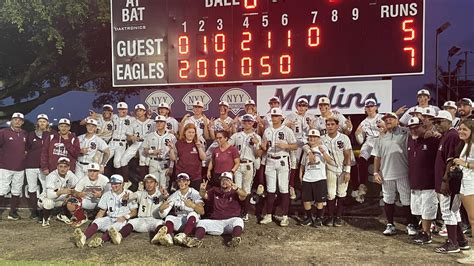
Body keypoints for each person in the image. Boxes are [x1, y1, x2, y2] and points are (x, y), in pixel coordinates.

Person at [372, 112, 416, 236]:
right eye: (386, 120)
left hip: (403, 173)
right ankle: (390, 224)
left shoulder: (406, 132)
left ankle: (410, 224)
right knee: (388, 199)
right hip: (386, 174)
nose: (388, 121)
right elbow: (377, 157)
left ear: (397, 121)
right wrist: (376, 172)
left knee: (406, 200)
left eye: (391, 119)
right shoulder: (380, 138)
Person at [433, 110, 468, 253]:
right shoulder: (446, 135)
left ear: (448, 121)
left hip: (450, 181)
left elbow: (451, 161)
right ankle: (461, 241)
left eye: (439, 121)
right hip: (449, 180)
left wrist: (445, 181)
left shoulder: (452, 135)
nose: (437, 124)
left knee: (448, 212)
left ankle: (452, 243)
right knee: (454, 212)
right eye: (435, 122)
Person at [72, 174, 137, 248]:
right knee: (97, 221)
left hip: (121, 220)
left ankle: (100, 240)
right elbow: (102, 211)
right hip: (109, 218)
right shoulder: (107, 194)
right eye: (112, 184)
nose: (113, 186)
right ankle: (83, 238)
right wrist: (94, 223)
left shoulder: (129, 194)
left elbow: (134, 212)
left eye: (116, 184)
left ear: (122, 184)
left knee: (113, 229)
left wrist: (125, 217)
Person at [184, 172, 247, 248]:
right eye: (222, 180)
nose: (224, 182)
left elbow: (244, 195)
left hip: (230, 223)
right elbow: (204, 195)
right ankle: (196, 240)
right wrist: (202, 189)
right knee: (201, 223)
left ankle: (235, 238)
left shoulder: (235, 192)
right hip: (216, 222)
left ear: (231, 181)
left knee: (239, 221)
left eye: (227, 180)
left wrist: (236, 188)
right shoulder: (214, 190)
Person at [260, 107, 297, 227]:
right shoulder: (267, 130)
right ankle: (269, 215)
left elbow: (295, 146)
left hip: (282, 160)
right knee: (270, 188)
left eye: (277, 116)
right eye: (273, 116)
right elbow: (265, 148)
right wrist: (263, 146)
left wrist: (285, 145)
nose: (274, 118)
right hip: (270, 159)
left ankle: (285, 216)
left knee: (283, 188)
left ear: (281, 117)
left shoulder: (287, 130)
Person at [406, 117, 440, 244]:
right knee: (418, 209)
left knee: (427, 209)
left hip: (428, 182)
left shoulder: (433, 140)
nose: (414, 130)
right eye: (411, 128)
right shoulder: (410, 140)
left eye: (416, 127)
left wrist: (435, 133)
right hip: (415, 182)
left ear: (422, 126)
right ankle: (423, 231)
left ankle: (427, 234)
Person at [152, 173, 205, 246]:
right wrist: (161, 209)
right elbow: (164, 214)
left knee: (192, 213)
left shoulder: (195, 193)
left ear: (188, 182)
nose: (182, 183)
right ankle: (169, 236)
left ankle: (184, 235)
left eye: (184, 181)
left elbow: (202, 212)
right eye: (179, 181)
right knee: (169, 217)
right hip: (180, 220)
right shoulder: (174, 195)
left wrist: (193, 205)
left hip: (192, 222)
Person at [116, 174, 168, 245]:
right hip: (142, 220)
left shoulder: (160, 193)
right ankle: (119, 236)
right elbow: (130, 197)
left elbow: (166, 197)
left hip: (154, 220)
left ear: (156, 184)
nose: (149, 184)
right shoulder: (140, 193)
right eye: (147, 182)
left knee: (161, 224)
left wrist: (165, 195)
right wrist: (125, 198)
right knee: (131, 222)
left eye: (151, 182)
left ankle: (158, 237)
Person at [229, 114, 263, 220]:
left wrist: (256, 144)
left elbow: (258, 154)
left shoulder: (256, 137)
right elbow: (228, 147)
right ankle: (237, 210)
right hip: (238, 164)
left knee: (247, 189)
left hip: (249, 164)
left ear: (253, 123)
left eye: (249, 122)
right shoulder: (236, 135)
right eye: (245, 121)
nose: (247, 123)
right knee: (237, 188)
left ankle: (245, 212)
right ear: (242, 123)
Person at [321, 117, 352, 227]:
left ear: (337, 126)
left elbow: (348, 155)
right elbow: (309, 145)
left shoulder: (344, 138)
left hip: (342, 169)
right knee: (330, 194)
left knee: (342, 193)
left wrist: (347, 171)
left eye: (332, 124)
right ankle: (330, 217)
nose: (330, 126)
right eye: (328, 124)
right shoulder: (322, 139)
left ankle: (338, 217)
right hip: (329, 169)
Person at [299, 129, 332, 227]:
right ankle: (309, 218)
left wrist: (323, 152)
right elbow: (302, 164)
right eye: (310, 137)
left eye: (315, 137)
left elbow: (329, 161)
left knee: (319, 201)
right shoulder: (306, 150)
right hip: (308, 177)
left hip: (319, 177)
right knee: (306, 200)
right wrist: (300, 174)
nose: (312, 139)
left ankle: (318, 218)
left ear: (318, 138)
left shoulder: (323, 148)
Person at [285, 98, 317, 200]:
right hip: (296, 142)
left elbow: (318, 132)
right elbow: (282, 129)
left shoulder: (312, 117)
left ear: (307, 107)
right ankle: (291, 186)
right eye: (300, 105)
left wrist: (312, 128)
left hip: (308, 141)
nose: (301, 107)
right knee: (294, 162)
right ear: (296, 106)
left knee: (311, 163)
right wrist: (287, 126)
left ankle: (310, 186)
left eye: (304, 105)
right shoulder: (290, 116)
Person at [354, 99, 384, 202]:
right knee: (362, 158)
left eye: (372, 106)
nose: (370, 108)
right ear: (365, 109)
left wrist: (384, 129)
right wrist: (357, 134)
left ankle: (385, 189)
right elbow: (360, 141)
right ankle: (362, 185)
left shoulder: (382, 117)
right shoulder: (364, 122)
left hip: (381, 140)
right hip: (369, 141)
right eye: (368, 107)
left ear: (376, 107)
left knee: (383, 163)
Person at [0, 112, 27, 220]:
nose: (17, 121)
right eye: (15, 119)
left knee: (16, 191)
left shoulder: (25, 133)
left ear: (23, 122)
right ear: (11, 120)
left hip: (20, 167)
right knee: (2, 190)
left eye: (20, 120)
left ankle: (13, 213)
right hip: (5, 166)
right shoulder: (3, 132)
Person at [38, 157, 79, 227]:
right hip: (45, 199)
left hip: (60, 199)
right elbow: (50, 195)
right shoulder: (51, 176)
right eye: (61, 166)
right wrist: (62, 192)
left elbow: (78, 185)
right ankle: (45, 218)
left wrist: (70, 194)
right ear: (57, 167)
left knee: (74, 199)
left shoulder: (70, 174)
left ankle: (62, 214)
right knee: (49, 203)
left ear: (69, 167)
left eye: (65, 167)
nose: (63, 169)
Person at [454, 119, 474, 263]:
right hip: (465, 183)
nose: (461, 131)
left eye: (464, 129)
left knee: (473, 219)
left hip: (471, 184)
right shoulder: (466, 144)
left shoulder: (472, 145)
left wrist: (464, 163)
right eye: (460, 129)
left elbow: (469, 164)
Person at [25, 114, 51, 220]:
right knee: (32, 188)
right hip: (30, 165)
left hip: (44, 167)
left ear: (47, 123)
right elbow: (25, 149)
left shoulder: (51, 134)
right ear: (37, 123)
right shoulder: (31, 134)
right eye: (40, 121)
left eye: (44, 121)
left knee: (45, 188)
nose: (42, 123)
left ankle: (43, 210)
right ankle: (34, 210)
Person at [121, 104, 154, 182]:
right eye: (137, 111)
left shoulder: (152, 122)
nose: (138, 112)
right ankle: (126, 182)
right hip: (136, 143)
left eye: (140, 110)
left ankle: (143, 183)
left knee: (143, 161)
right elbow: (128, 136)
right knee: (123, 160)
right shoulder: (134, 122)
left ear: (144, 111)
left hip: (147, 143)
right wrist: (132, 137)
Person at [143, 115, 177, 189]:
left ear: (165, 123)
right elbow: (145, 150)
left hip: (165, 162)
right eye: (157, 122)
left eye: (161, 122)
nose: (159, 124)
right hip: (153, 162)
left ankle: (163, 200)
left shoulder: (171, 137)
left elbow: (174, 154)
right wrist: (153, 151)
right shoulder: (150, 135)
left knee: (164, 186)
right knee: (153, 186)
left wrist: (171, 167)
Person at [171, 124, 207, 191]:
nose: (191, 134)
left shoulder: (198, 143)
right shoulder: (179, 143)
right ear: (185, 132)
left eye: (193, 132)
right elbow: (173, 158)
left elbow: (203, 158)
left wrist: (199, 147)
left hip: (195, 176)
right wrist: (171, 149)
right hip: (182, 176)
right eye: (189, 132)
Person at [108, 102, 134, 178]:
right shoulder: (114, 117)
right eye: (120, 109)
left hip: (122, 143)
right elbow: (104, 116)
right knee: (103, 160)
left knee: (116, 162)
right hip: (112, 141)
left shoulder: (131, 119)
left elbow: (141, 120)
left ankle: (121, 180)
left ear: (127, 110)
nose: (122, 111)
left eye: (123, 109)